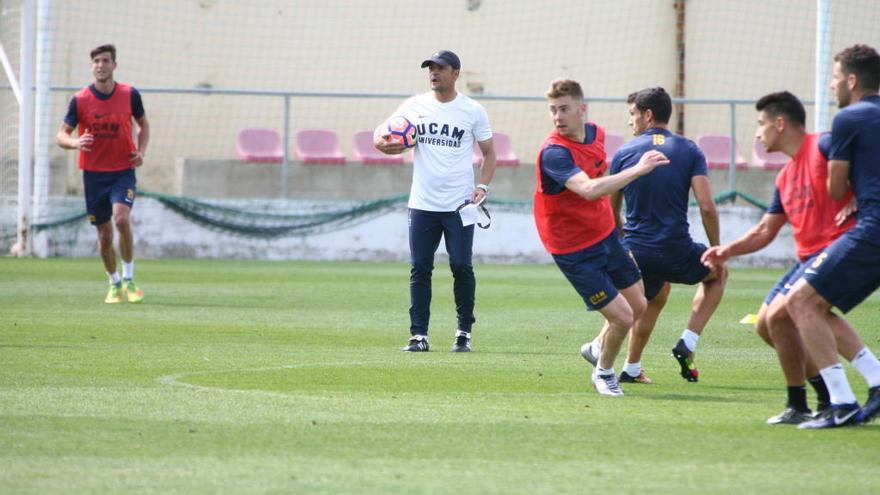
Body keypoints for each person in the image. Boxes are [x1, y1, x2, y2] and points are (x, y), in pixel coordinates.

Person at [702, 91, 878, 425]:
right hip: (808, 259)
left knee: (800, 308)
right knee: (770, 324)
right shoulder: (784, 177)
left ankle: (837, 398)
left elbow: (865, 167)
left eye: (761, 124)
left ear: (780, 124)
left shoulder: (824, 145)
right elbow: (765, 231)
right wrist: (726, 250)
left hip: (838, 247)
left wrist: (858, 198)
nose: (757, 133)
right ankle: (801, 403)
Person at [534, 78, 669, 396]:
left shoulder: (596, 134)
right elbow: (589, 188)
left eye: (564, 109)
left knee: (639, 304)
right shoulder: (554, 153)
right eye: (553, 110)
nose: (557, 117)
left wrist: (616, 221)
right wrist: (638, 169)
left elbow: (598, 180)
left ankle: (597, 347)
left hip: (605, 235)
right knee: (622, 316)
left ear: (582, 109)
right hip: (573, 249)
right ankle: (604, 372)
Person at [374, 50, 496, 353]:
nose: (433, 73)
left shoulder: (472, 110)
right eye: (430, 68)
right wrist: (380, 142)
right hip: (422, 203)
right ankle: (418, 335)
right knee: (420, 268)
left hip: (459, 205)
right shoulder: (415, 105)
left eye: (440, 68)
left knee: (461, 266)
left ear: (456, 73)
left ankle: (463, 332)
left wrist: (482, 186)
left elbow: (489, 153)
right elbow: (384, 132)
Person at [784, 44, 880, 429]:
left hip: (873, 228)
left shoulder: (848, 119)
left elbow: (836, 187)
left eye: (836, 77)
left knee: (801, 302)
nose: (832, 85)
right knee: (815, 305)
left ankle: (840, 402)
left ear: (852, 81)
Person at [608, 87, 726, 384]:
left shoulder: (624, 153)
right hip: (676, 249)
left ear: (648, 115)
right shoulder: (689, 150)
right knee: (717, 275)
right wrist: (716, 251)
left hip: (637, 251)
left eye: (632, 114)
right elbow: (707, 208)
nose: (630, 121)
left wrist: (623, 241)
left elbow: (611, 210)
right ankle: (688, 340)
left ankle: (630, 367)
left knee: (654, 295)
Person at [56, 44, 149, 304]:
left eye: (105, 60)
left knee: (121, 219)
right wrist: (75, 143)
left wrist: (141, 151)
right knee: (104, 234)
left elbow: (143, 125)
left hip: (123, 171)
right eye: (96, 61)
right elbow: (61, 135)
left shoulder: (130, 95)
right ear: (92, 66)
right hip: (94, 175)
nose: (100, 65)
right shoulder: (80, 100)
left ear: (114, 65)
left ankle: (129, 279)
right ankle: (114, 283)